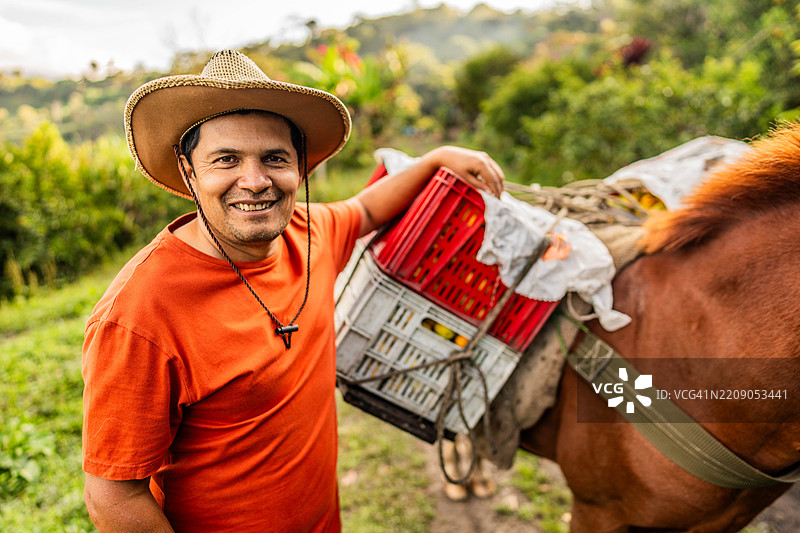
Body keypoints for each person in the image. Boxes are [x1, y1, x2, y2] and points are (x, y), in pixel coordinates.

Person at [81, 49, 505, 532]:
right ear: (188, 170)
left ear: (300, 168)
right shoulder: (139, 314)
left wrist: (437, 158)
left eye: (274, 158)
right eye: (226, 159)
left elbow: (366, 210)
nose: (256, 181)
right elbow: (113, 495)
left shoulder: (309, 234)